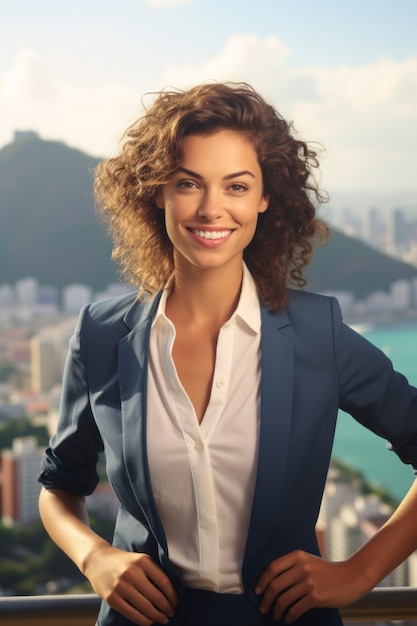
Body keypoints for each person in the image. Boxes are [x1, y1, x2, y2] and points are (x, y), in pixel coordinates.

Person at [38, 82, 417, 626]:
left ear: (266, 197)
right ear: (158, 192)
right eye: (188, 183)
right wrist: (94, 555)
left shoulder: (318, 333)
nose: (212, 208)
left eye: (236, 186)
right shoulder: (100, 335)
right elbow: (59, 484)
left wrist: (359, 572)